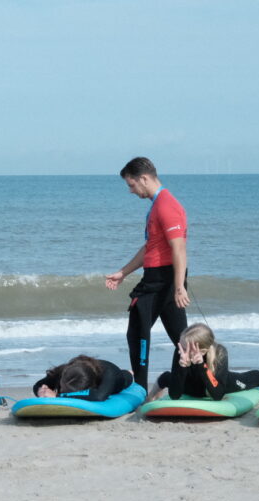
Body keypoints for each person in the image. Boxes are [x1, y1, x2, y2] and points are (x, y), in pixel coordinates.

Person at [105, 156, 189, 390]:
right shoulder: (158, 205)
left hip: (162, 279)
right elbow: (150, 248)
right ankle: (197, 380)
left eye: (131, 185)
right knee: (183, 340)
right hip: (160, 277)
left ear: (143, 179)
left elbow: (179, 248)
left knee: (137, 333)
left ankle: (140, 389)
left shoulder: (166, 205)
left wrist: (179, 286)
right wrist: (123, 272)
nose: (131, 191)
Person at [150, 323, 259, 401]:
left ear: (203, 351)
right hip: (190, 386)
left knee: (256, 376)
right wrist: (182, 366)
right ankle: (149, 398)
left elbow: (218, 395)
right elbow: (175, 396)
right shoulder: (181, 350)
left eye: (185, 348)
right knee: (166, 377)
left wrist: (201, 366)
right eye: (180, 346)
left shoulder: (220, 353)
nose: (181, 350)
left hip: (216, 384)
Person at [32, 355, 133, 401]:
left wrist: (58, 396)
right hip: (85, 367)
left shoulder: (108, 374)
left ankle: (129, 372)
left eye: (65, 390)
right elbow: (38, 384)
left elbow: (99, 396)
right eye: (62, 387)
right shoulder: (66, 371)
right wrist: (41, 390)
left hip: (119, 377)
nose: (61, 391)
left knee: (128, 376)